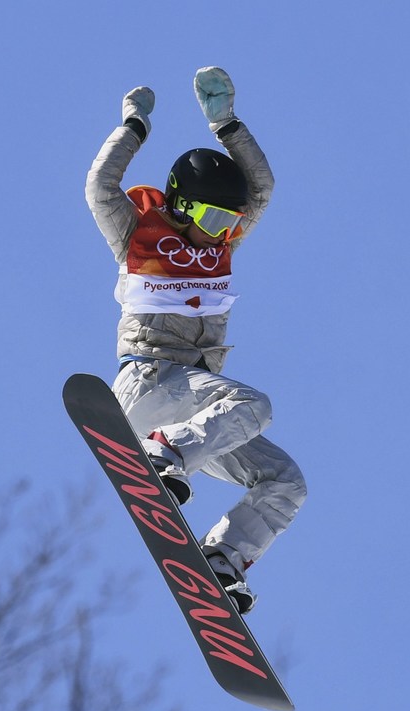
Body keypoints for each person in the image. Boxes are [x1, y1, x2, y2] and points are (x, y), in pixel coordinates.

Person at [85, 67, 306, 614]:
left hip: (193, 409)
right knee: (255, 405)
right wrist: (133, 128)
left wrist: (227, 124)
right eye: (209, 216)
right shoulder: (138, 232)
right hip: (152, 379)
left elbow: (261, 189)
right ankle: (165, 451)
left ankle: (224, 558)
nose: (218, 231)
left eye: (227, 221)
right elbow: (100, 187)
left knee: (285, 481)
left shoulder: (221, 244)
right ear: (182, 203)